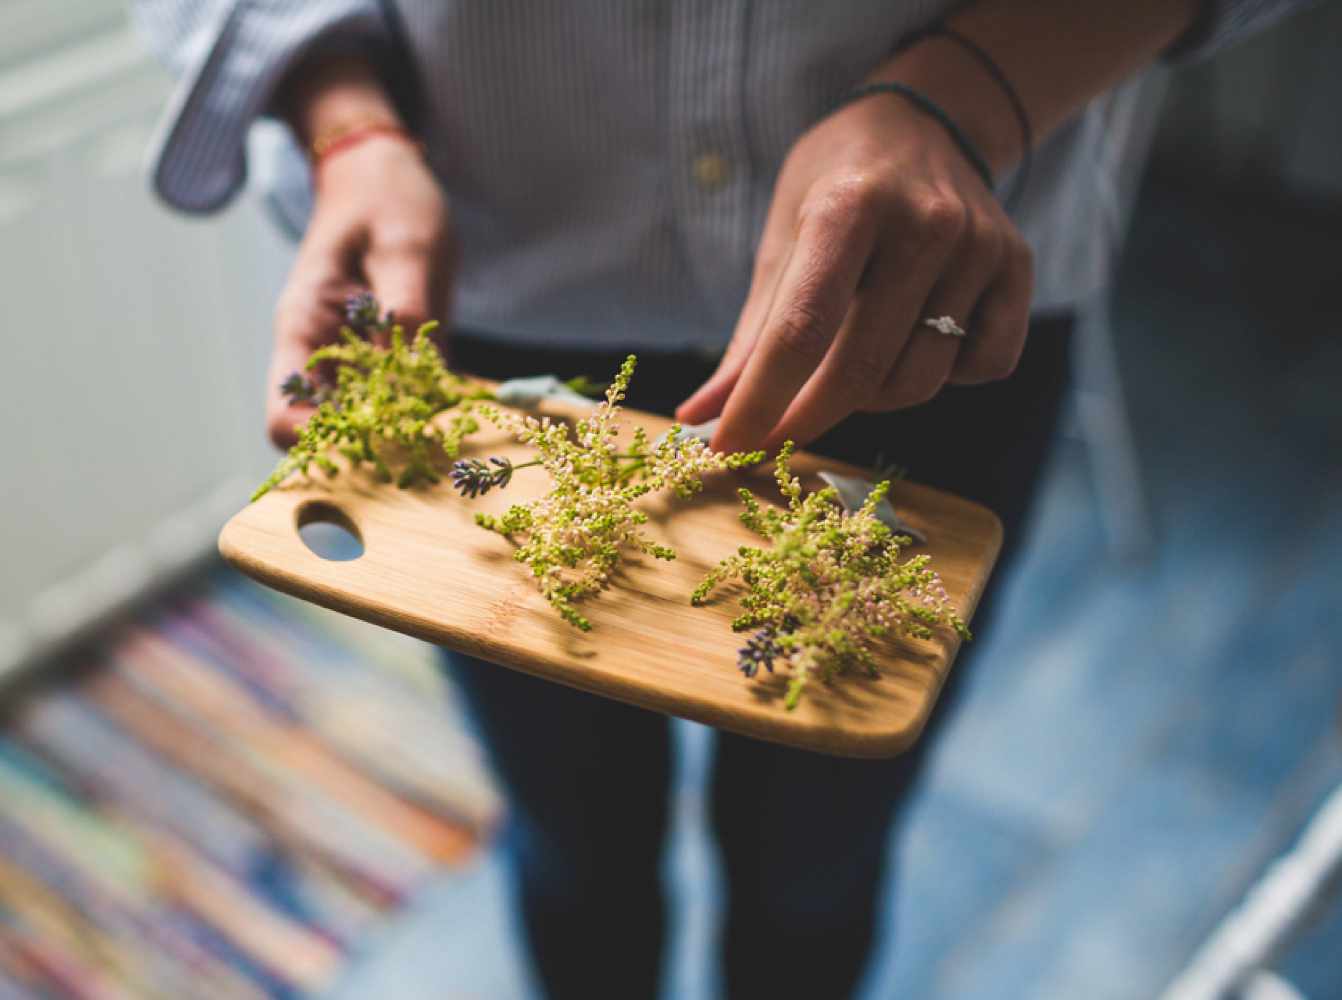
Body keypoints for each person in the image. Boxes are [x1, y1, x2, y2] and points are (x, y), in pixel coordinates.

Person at [125, 2, 1310, 996]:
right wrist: (353, 124)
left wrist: (966, 93)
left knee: (817, 861)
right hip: (489, 303)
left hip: (918, 295)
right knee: (573, 838)